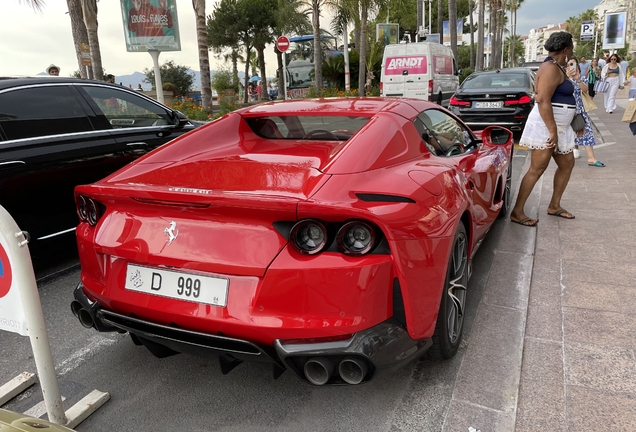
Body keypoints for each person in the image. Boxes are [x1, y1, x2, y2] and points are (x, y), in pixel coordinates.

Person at [510, 31, 582, 227]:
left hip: (560, 125)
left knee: (567, 164)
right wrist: (552, 132)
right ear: (566, 49)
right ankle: (517, 211)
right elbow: (542, 100)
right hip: (547, 125)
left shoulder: (558, 67)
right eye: (572, 48)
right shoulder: (550, 68)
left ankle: (554, 205)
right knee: (537, 168)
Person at [568, 57, 605, 167]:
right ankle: (570, 155)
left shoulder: (581, 79)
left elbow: (585, 90)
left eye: (574, 65)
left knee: (586, 131)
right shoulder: (563, 79)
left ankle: (591, 158)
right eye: (569, 65)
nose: (572, 68)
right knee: (568, 134)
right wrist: (568, 77)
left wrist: (578, 79)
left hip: (580, 110)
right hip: (567, 110)